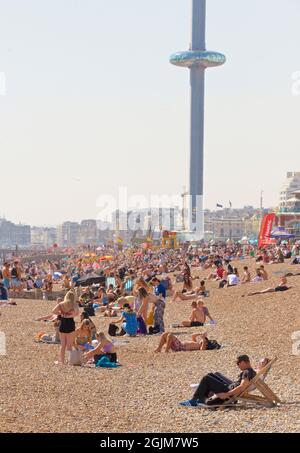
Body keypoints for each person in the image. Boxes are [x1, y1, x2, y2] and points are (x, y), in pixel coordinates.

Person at [180, 354, 256, 407]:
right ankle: (201, 398)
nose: (238, 365)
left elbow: (242, 387)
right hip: (230, 388)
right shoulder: (251, 371)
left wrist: (227, 394)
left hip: (228, 391)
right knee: (211, 375)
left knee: (207, 378)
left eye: (238, 363)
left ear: (243, 362)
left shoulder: (247, 372)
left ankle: (195, 400)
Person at [52, 290, 79, 364]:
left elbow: (53, 311)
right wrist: (70, 315)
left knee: (63, 345)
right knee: (69, 345)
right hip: (70, 323)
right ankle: (69, 361)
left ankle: (62, 361)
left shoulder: (61, 304)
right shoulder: (74, 304)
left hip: (63, 323)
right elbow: (77, 313)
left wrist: (61, 313)